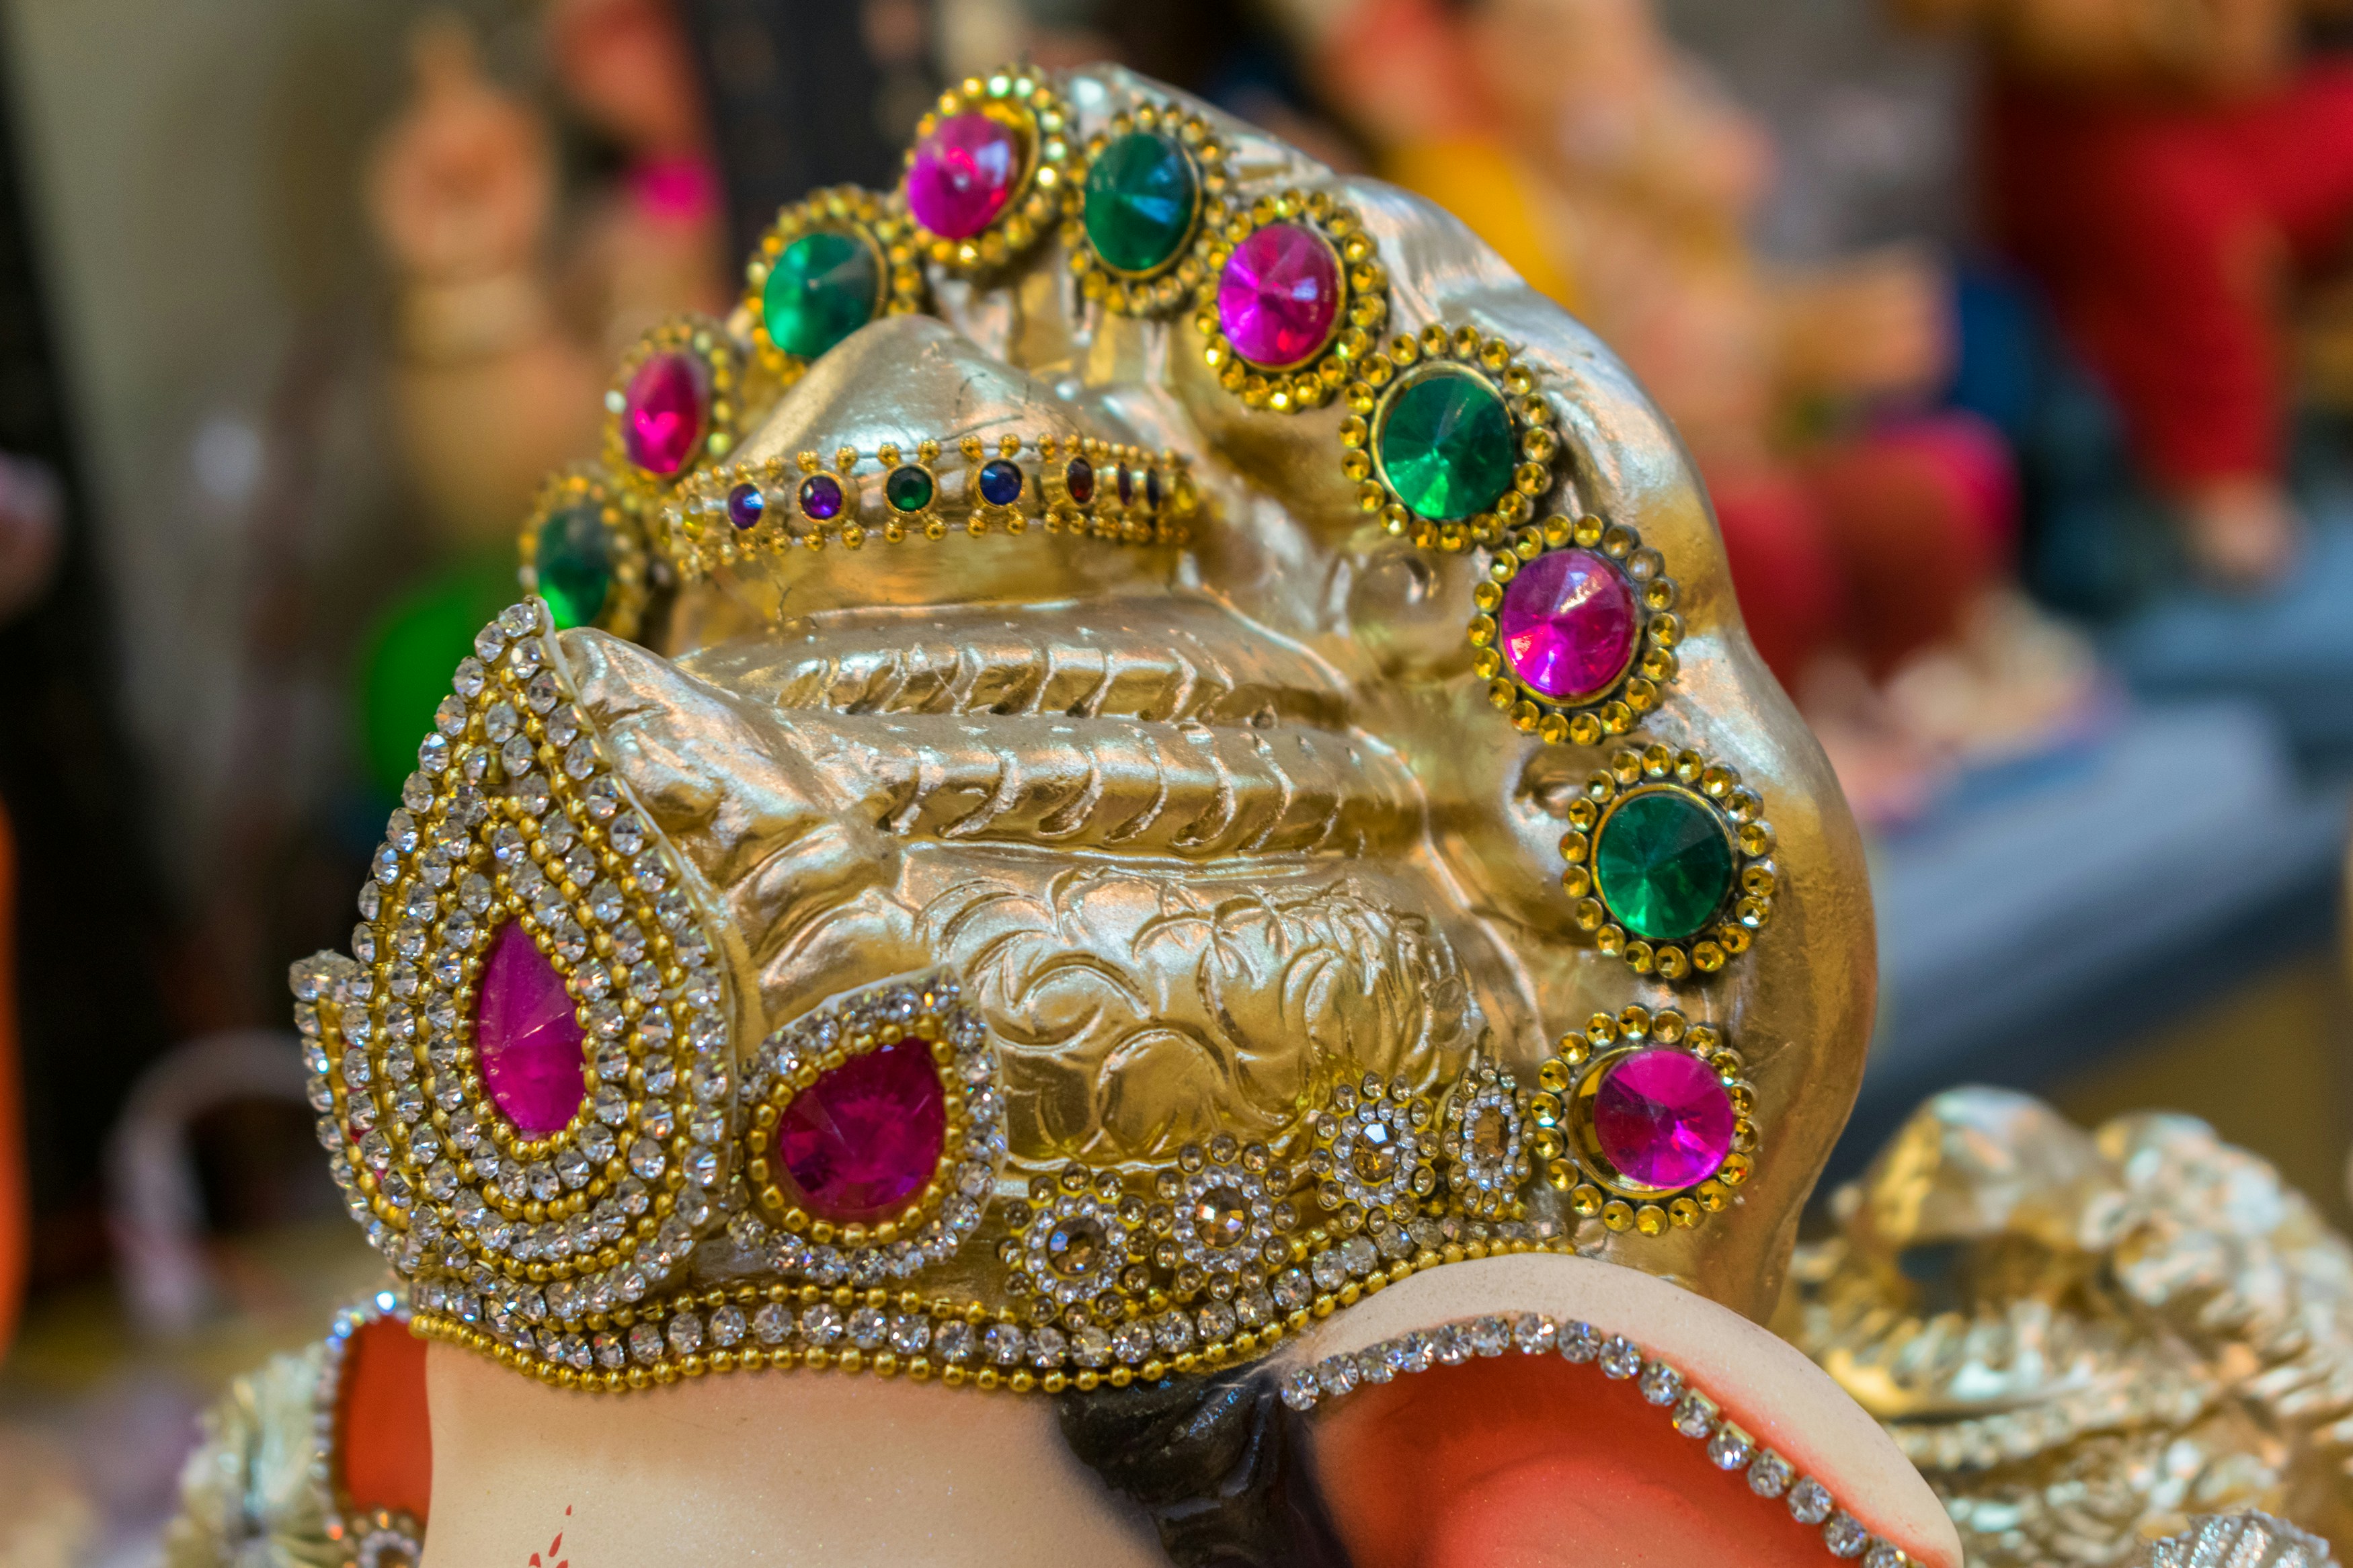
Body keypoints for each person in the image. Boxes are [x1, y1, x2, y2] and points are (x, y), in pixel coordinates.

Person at [1899, 0, 2353, 587]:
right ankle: (2214, 476)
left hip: (2234, 116)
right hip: (2087, 131)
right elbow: (2014, 32)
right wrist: (2174, 34)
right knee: (2170, 206)